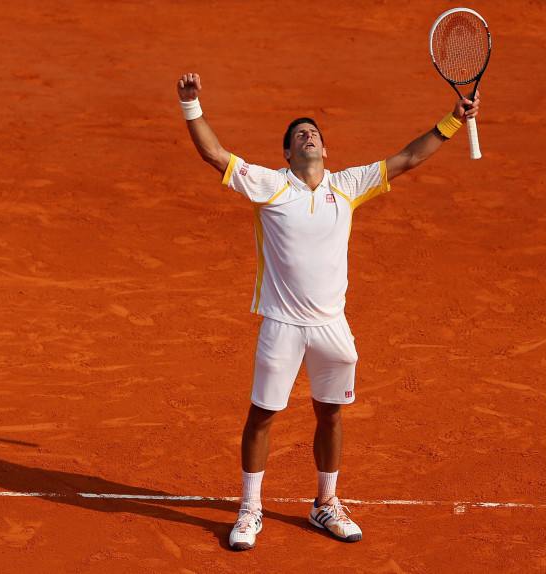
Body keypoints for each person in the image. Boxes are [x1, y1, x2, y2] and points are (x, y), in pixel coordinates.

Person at [176, 72, 479, 550]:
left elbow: (407, 159)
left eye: (313, 132)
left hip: (332, 328)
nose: (308, 135)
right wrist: (191, 104)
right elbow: (214, 155)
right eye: (299, 135)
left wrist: (452, 122)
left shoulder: (348, 185)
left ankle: (325, 503)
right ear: (288, 154)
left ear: (324, 149)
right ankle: (250, 509)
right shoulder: (269, 186)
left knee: (331, 415)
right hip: (282, 325)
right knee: (261, 415)